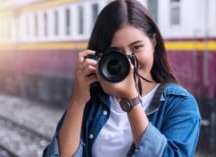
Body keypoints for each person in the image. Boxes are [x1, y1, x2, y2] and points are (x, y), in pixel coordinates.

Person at [43, 0, 201, 157]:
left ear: (153, 43)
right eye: (116, 52)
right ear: (101, 57)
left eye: (137, 47)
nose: (128, 61)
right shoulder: (92, 101)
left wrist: (131, 100)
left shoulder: (180, 105)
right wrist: (78, 99)